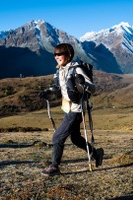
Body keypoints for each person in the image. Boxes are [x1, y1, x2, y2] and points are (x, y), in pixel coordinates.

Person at [41, 43, 104, 175]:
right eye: (55, 54)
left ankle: (54, 167)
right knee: (75, 138)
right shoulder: (60, 69)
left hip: (76, 109)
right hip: (68, 108)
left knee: (57, 137)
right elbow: (61, 88)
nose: (57, 57)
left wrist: (83, 82)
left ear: (69, 55)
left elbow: (92, 88)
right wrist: (49, 91)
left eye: (60, 54)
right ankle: (96, 153)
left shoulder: (76, 69)